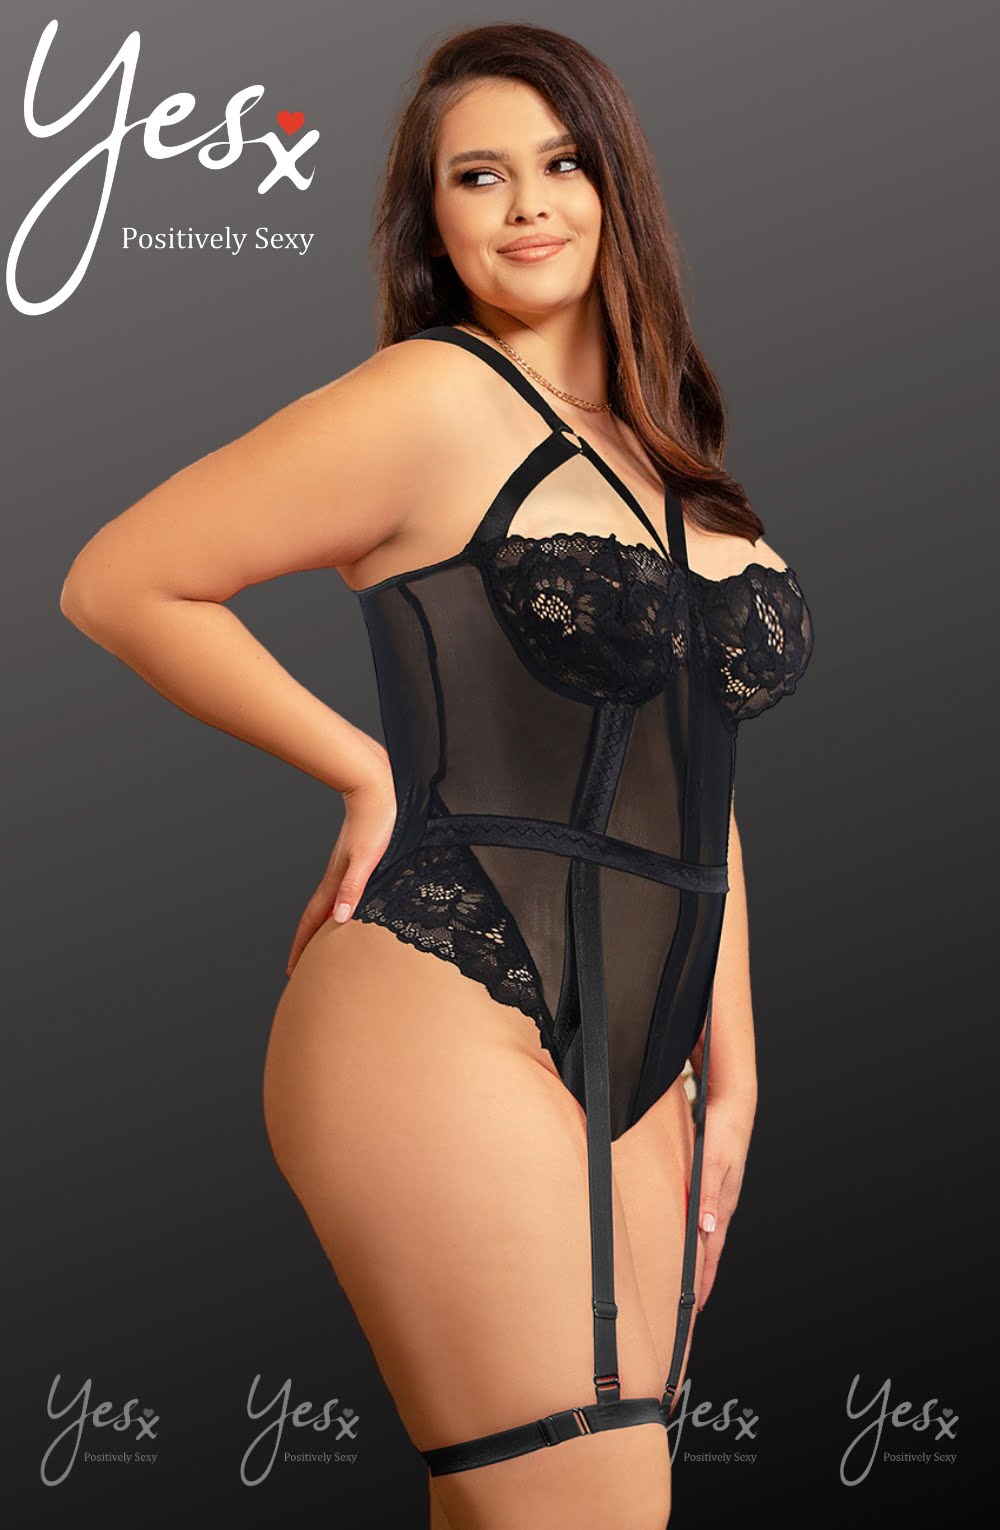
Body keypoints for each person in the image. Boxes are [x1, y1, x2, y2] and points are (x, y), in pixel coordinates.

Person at [60, 22, 813, 1530]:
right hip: (443, 998)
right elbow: (121, 580)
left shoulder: (671, 460)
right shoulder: (431, 397)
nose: (529, 203)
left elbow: (698, 786)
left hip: (648, 1067)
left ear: (616, 185)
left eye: (563, 161)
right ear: (434, 217)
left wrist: (732, 1073)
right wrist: (364, 772)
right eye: (480, 175)